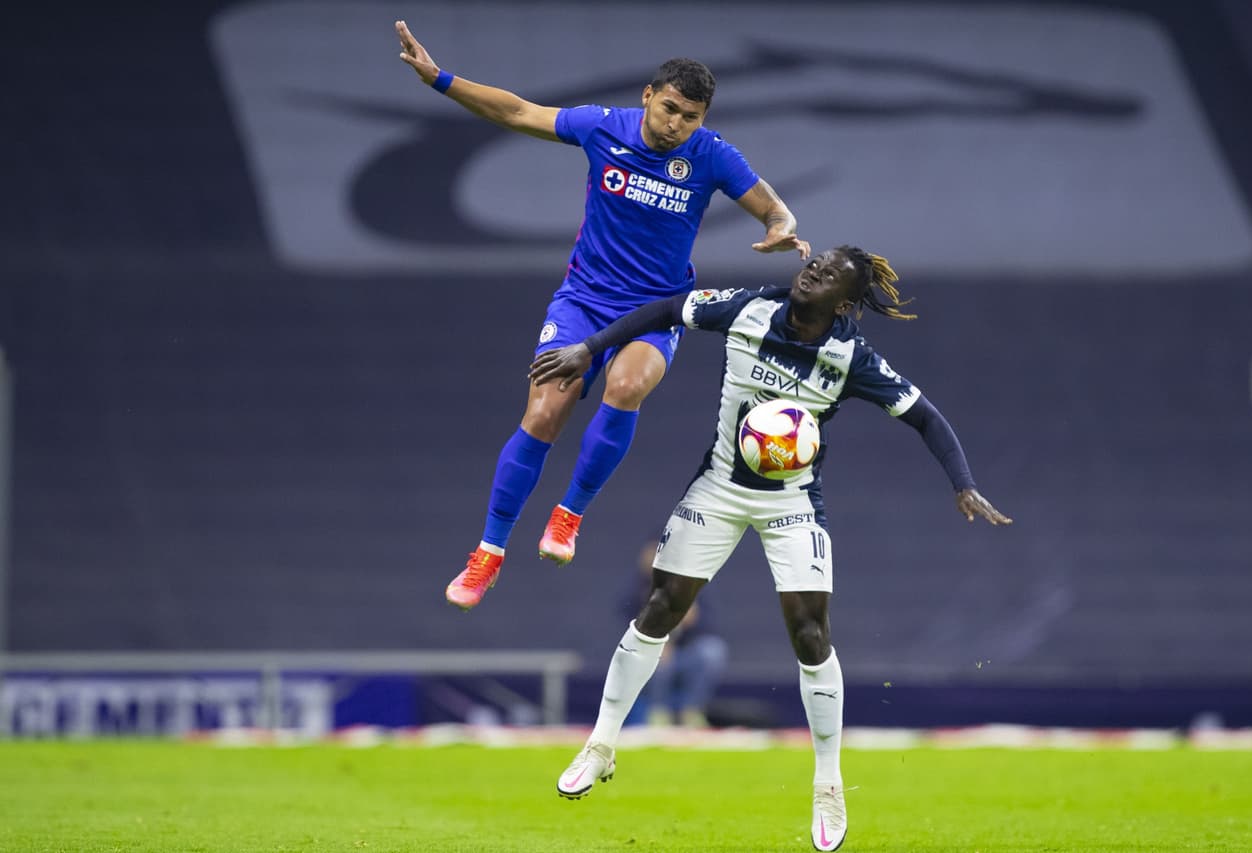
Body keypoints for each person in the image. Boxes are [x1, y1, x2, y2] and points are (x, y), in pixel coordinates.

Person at [529, 246, 1012, 851]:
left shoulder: (850, 357)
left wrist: (963, 484)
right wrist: (591, 348)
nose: (815, 268)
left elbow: (927, 418)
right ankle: (600, 744)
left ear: (847, 299)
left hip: (792, 504)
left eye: (833, 271)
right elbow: (667, 309)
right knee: (659, 611)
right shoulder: (749, 306)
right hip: (720, 487)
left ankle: (828, 785)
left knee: (811, 635)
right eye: (819, 260)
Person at [395, 20, 811, 611]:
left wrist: (781, 228)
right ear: (648, 95)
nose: (676, 125)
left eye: (690, 117)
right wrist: (438, 78)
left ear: (703, 119)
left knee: (627, 383)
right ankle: (488, 553)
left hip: (655, 311)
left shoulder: (712, 156)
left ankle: (568, 516)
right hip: (584, 302)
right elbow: (516, 113)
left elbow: (773, 208)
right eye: (669, 109)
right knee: (543, 415)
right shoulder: (601, 128)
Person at [622, 539, 727, 728]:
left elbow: (708, 626)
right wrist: (657, 642)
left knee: (711, 651)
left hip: (685, 652)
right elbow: (628, 623)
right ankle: (657, 713)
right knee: (658, 656)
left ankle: (691, 711)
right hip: (652, 653)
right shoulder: (640, 587)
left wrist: (691, 621)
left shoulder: (693, 583)